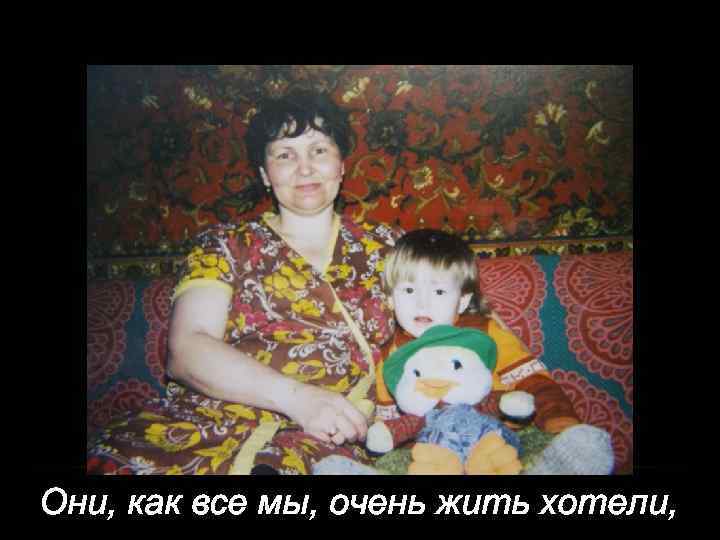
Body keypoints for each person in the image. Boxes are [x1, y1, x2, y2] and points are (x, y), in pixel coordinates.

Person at [87, 91, 402, 475]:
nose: (304, 168)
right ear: (265, 175)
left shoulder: (391, 248)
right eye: (284, 155)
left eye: (319, 150)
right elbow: (187, 348)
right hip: (204, 424)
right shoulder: (224, 245)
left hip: (330, 438)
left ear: (341, 165)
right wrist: (298, 399)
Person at [356, 229, 614, 474]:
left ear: (463, 300)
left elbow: (535, 383)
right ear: (390, 299)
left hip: (503, 438)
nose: (422, 303)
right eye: (409, 290)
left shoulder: (485, 332)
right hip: (433, 453)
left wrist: (560, 422)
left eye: (439, 291)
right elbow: (391, 425)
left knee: (551, 450)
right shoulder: (390, 356)